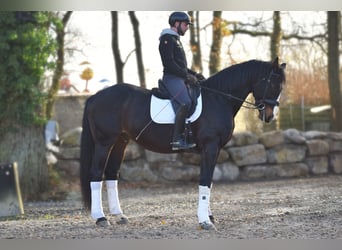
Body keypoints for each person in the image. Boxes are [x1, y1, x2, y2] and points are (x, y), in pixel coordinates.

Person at [159, 11, 204, 150]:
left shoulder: (176, 40)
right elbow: (169, 63)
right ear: (176, 23)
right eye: (185, 24)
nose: (187, 27)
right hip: (171, 78)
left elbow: (181, 66)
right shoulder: (167, 39)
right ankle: (177, 139)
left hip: (179, 77)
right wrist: (186, 76)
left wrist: (194, 74)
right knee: (185, 101)